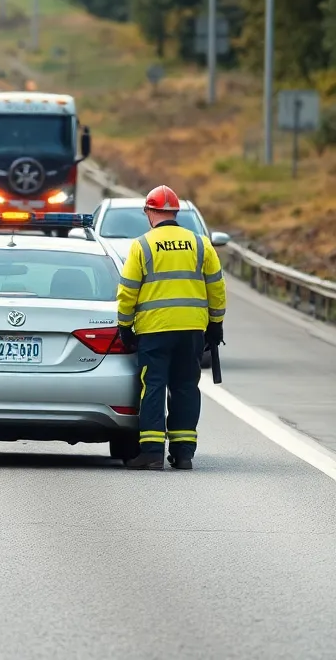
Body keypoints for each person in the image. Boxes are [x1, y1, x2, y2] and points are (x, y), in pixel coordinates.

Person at [116, 185, 226, 470]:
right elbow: (216, 286)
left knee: (153, 387)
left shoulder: (142, 245)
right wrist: (216, 323)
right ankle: (183, 452)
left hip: (155, 330)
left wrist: (124, 325)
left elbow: (128, 290)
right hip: (192, 330)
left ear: (149, 212)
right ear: (175, 212)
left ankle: (152, 452)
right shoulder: (201, 244)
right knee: (186, 387)